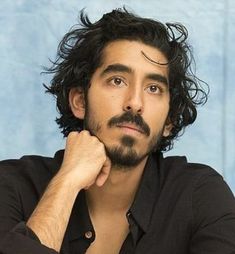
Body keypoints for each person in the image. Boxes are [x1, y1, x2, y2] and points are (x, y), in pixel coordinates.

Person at [0, 8, 234, 254]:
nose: (135, 102)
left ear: (169, 121)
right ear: (80, 100)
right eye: (117, 80)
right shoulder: (12, 185)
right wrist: (66, 184)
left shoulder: (200, 195)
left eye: (153, 88)